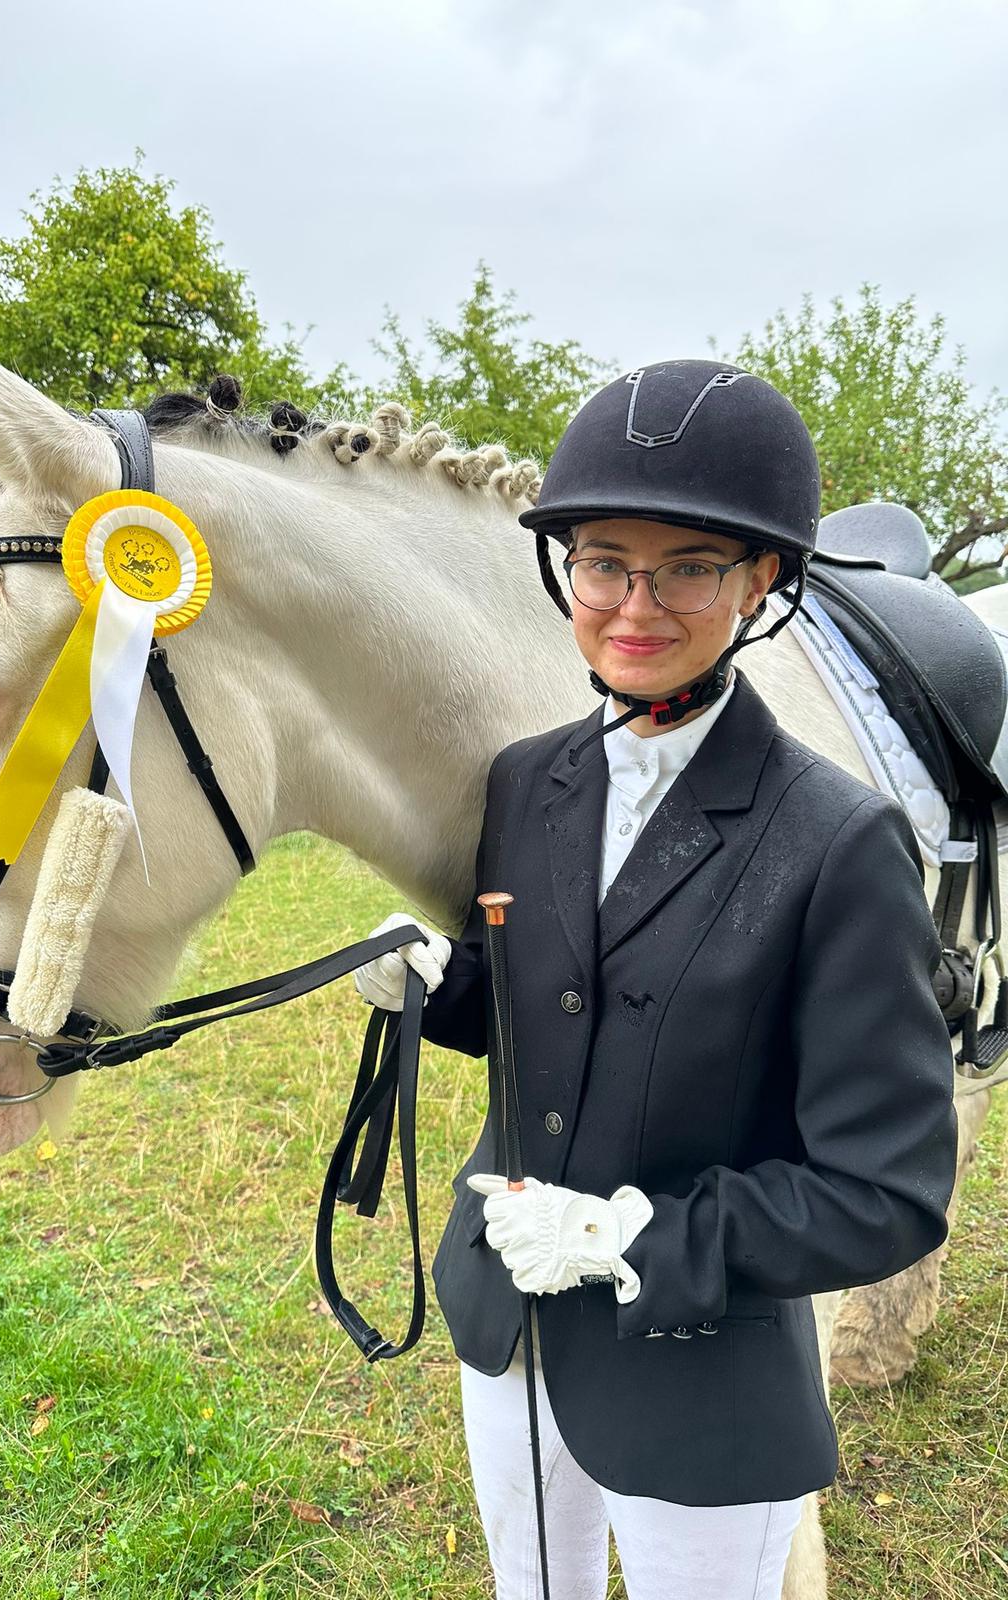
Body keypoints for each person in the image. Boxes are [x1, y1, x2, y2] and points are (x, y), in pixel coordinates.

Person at [352, 362, 960, 1600]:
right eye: (604, 563)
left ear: (757, 581)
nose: (635, 606)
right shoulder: (527, 779)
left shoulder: (838, 840)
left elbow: (886, 1193)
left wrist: (621, 1233)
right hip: (506, 1316)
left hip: (700, 1370)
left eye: (686, 567)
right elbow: (562, 1006)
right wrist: (445, 986)